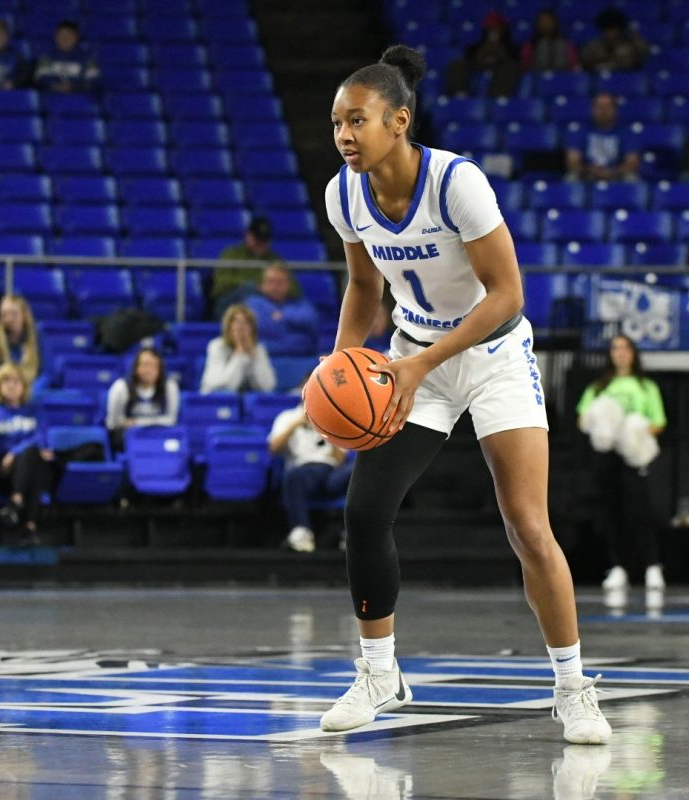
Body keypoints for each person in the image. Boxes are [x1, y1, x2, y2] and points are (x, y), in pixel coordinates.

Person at [321, 45, 610, 743]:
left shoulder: (457, 183)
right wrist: (336, 372)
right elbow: (364, 287)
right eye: (336, 124)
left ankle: (573, 687)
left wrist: (420, 368)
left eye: (356, 121)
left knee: (526, 525)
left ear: (399, 119)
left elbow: (509, 295)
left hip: (494, 356)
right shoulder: (343, 193)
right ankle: (380, 672)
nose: (344, 136)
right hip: (412, 359)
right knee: (364, 512)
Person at [575, 334, 667, 593]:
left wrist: (633, 432)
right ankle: (617, 567)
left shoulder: (646, 387)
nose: (621, 353)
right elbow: (582, 420)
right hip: (607, 456)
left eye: (626, 348)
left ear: (634, 353)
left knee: (640, 510)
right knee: (610, 511)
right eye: (615, 348)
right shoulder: (598, 387)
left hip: (634, 455)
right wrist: (603, 426)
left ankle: (652, 566)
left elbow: (658, 422)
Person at [268, 387, 354, 553]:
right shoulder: (287, 417)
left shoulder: (332, 418)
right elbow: (274, 448)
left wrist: (326, 431)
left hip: (332, 472)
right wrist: (296, 425)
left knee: (360, 469)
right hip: (304, 470)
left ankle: (352, 533)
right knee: (293, 475)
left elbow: (339, 459)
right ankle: (302, 532)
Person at [0, 363, 51, 545]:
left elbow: (41, 439)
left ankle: (16, 502)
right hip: (5, 469)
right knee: (34, 458)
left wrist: (15, 452)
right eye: (6, 381)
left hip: (27, 465)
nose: (11, 386)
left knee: (33, 458)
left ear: (24, 386)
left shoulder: (35, 410)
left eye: (16, 381)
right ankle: (29, 527)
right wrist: (13, 456)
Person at [105, 347, 180, 451]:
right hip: (130, 440)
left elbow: (171, 420)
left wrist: (137, 422)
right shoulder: (121, 388)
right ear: (136, 368)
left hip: (158, 438)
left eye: (154, 366)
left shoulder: (169, 387)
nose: (149, 370)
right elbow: (112, 424)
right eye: (145, 365)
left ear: (160, 369)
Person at [199, 304, 276, 394]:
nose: (241, 329)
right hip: (216, 401)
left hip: (246, 402)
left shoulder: (258, 350)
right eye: (237, 324)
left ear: (252, 329)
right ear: (229, 328)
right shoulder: (217, 347)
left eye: (246, 324)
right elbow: (223, 386)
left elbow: (268, 386)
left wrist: (254, 357)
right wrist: (239, 355)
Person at [244, 263, 319, 355]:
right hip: (263, 356)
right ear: (261, 285)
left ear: (289, 285)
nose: (275, 287)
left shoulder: (300, 304)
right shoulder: (253, 303)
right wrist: (294, 327)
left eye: (280, 282)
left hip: (298, 356)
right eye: (270, 282)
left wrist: (283, 316)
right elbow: (262, 327)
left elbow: (312, 321)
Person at [564, 92, 640, 183]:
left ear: (615, 110)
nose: (603, 111)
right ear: (592, 109)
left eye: (608, 107)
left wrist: (611, 172)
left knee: (631, 179)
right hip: (587, 174)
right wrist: (589, 169)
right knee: (571, 178)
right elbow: (573, 162)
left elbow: (632, 162)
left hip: (616, 175)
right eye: (599, 107)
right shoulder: (580, 131)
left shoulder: (626, 133)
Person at [444, 10, 519, 98]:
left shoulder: (511, 46)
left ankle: (497, 99)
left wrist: (499, 49)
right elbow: (470, 58)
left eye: (497, 28)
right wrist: (484, 50)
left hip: (501, 66)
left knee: (511, 67)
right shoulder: (477, 45)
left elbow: (513, 59)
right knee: (456, 64)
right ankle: (460, 96)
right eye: (490, 28)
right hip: (480, 64)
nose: (493, 31)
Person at [214, 216, 279, 315]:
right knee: (249, 291)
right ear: (248, 236)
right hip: (230, 303)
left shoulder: (275, 260)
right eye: (257, 240)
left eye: (264, 240)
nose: (260, 244)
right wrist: (257, 286)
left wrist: (274, 289)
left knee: (299, 304)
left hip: (269, 301)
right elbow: (221, 283)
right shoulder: (232, 254)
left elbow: (293, 288)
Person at [33, 20, 99, 93]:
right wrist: (56, 86)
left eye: (69, 35)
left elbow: (93, 80)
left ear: (77, 37)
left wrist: (74, 87)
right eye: (61, 35)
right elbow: (41, 78)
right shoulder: (46, 57)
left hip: (79, 98)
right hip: (51, 97)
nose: (64, 39)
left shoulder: (88, 58)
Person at [579, 7, 647, 72]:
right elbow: (584, 65)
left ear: (620, 29)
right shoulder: (592, 47)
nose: (609, 33)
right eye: (606, 29)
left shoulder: (629, 47)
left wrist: (633, 33)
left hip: (625, 81)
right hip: (599, 82)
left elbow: (643, 55)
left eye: (612, 29)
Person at [0, 295, 43, 387]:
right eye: (4, 314)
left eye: (14, 313)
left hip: (34, 390)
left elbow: (46, 374)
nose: (9, 319)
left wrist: (29, 391)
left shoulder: (39, 337)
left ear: (24, 315)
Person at [520, 9, 577, 73]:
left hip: (563, 75)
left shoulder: (565, 43)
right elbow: (525, 66)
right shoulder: (530, 45)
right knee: (543, 44)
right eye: (542, 20)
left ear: (555, 22)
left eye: (548, 20)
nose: (545, 23)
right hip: (538, 75)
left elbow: (573, 65)